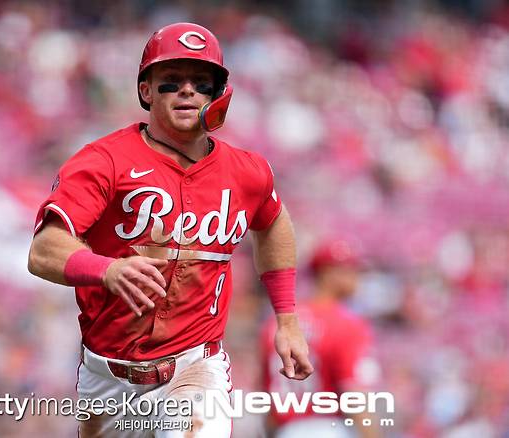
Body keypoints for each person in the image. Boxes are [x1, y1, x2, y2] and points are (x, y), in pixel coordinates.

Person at [28, 22, 313, 437]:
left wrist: (286, 318)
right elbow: (43, 251)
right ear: (146, 91)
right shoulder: (104, 160)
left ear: (218, 94)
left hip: (196, 366)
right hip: (108, 378)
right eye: (171, 81)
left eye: (201, 83)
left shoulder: (246, 171)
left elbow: (273, 223)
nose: (187, 91)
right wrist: (105, 269)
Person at [261, 239, 382, 438]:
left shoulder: (277, 322)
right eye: (350, 270)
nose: (357, 277)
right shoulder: (345, 322)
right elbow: (354, 394)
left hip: (286, 431)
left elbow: (266, 394)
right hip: (329, 429)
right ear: (328, 273)